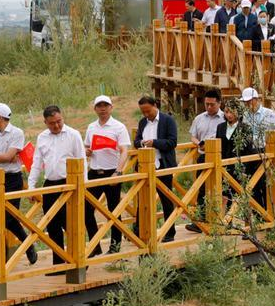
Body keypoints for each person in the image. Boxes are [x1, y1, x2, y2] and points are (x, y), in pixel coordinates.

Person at [27, 105, 85, 259]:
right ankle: (58, 261)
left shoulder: (73, 134)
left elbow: (82, 160)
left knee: (70, 223)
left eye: (59, 121)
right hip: (50, 184)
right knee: (52, 224)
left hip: (70, 184)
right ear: (45, 122)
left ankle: (77, 258)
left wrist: (84, 185)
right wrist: (31, 186)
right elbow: (37, 162)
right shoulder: (42, 137)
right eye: (52, 123)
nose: (57, 125)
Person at [0, 102, 33, 264]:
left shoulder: (17, 133)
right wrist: (3, 156)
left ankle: (27, 244)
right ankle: (3, 253)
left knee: (9, 217)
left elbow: (5, 157)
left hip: (12, 178)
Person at [83, 94, 131, 253]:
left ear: (111, 107)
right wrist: (87, 151)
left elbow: (125, 150)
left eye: (105, 105)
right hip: (94, 172)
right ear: (95, 109)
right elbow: (86, 147)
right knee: (86, 210)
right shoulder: (91, 127)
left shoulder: (119, 127)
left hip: (112, 172)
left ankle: (115, 246)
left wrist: (118, 171)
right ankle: (95, 244)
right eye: (99, 106)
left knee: (114, 210)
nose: (102, 109)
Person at [135, 95, 179, 243]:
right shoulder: (142, 123)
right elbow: (136, 141)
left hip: (163, 165)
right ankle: (139, 230)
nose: (146, 114)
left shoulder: (168, 120)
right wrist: (142, 143)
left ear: (155, 105)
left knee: (166, 200)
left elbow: (172, 142)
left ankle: (169, 231)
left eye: (148, 111)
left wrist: (154, 143)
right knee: (142, 200)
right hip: (145, 167)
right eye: (143, 112)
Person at [186, 89, 227, 233]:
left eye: (212, 104)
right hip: (202, 156)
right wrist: (198, 143)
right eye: (207, 104)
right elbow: (192, 136)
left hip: (221, 157)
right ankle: (200, 221)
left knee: (222, 188)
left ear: (219, 103)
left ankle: (225, 220)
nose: (209, 107)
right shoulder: (199, 118)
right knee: (201, 189)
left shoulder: (225, 118)